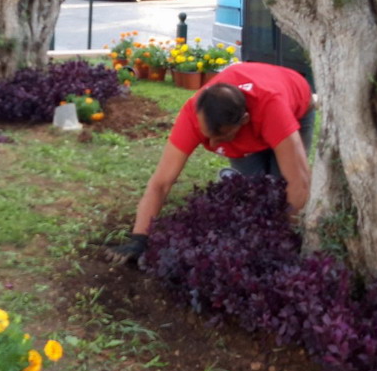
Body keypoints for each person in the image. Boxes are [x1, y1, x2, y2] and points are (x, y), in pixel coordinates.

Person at [108, 61, 315, 265]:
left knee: (281, 188)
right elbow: (161, 183)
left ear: (243, 120)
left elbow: (298, 183)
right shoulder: (192, 115)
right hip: (247, 133)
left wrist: (282, 239)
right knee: (256, 192)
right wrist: (139, 238)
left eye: (222, 137)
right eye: (206, 136)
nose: (212, 144)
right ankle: (235, 178)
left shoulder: (271, 107)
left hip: (294, 103)